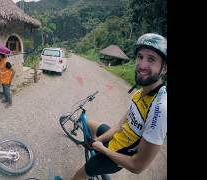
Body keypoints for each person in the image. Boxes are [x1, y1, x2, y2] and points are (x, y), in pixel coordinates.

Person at [71, 33, 167, 179]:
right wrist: (97, 142)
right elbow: (119, 126)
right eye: (140, 57)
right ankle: (92, 149)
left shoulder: (160, 109)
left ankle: (91, 166)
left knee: (81, 173)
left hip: (120, 154)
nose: (142, 65)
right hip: (118, 137)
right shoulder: (140, 93)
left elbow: (137, 166)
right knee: (89, 123)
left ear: (164, 68)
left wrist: (103, 150)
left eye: (151, 59)